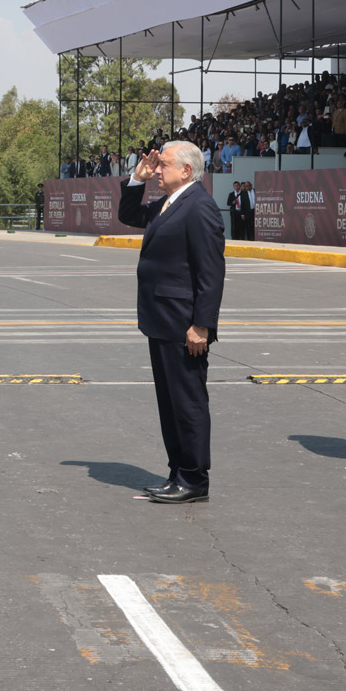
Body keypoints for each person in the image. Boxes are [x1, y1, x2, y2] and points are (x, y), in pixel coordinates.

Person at [118, 142, 224, 504]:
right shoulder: (171, 202)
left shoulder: (199, 208)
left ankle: (194, 478)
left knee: (188, 401)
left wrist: (202, 325)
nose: (157, 170)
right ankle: (177, 471)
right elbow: (129, 214)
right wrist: (137, 178)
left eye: (162, 165)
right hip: (161, 319)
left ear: (186, 171)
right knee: (170, 403)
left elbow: (211, 273)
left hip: (183, 324)